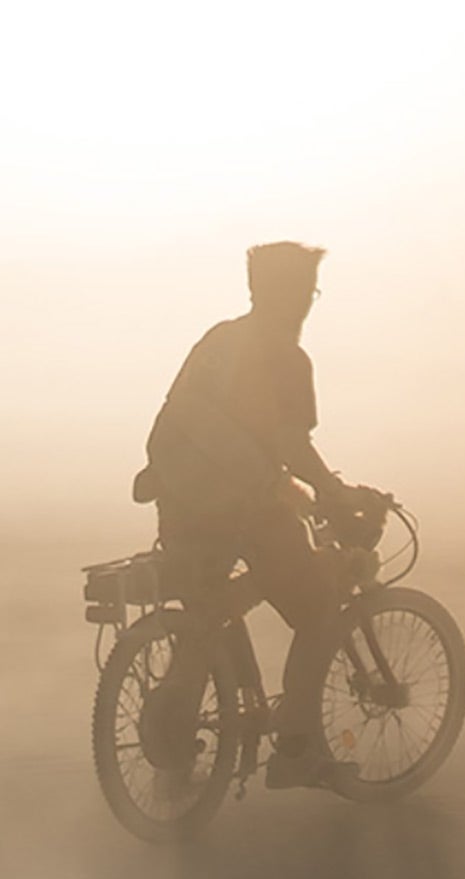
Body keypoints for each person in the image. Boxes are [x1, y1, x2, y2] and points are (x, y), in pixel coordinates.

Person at [141, 241, 384, 790]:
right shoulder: (287, 358)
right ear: (294, 296)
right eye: (306, 292)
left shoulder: (218, 340)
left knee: (211, 599)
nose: (308, 304)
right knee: (320, 605)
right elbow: (289, 444)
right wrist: (335, 494)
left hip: (178, 501)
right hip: (240, 507)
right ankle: (296, 751)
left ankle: (176, 750)